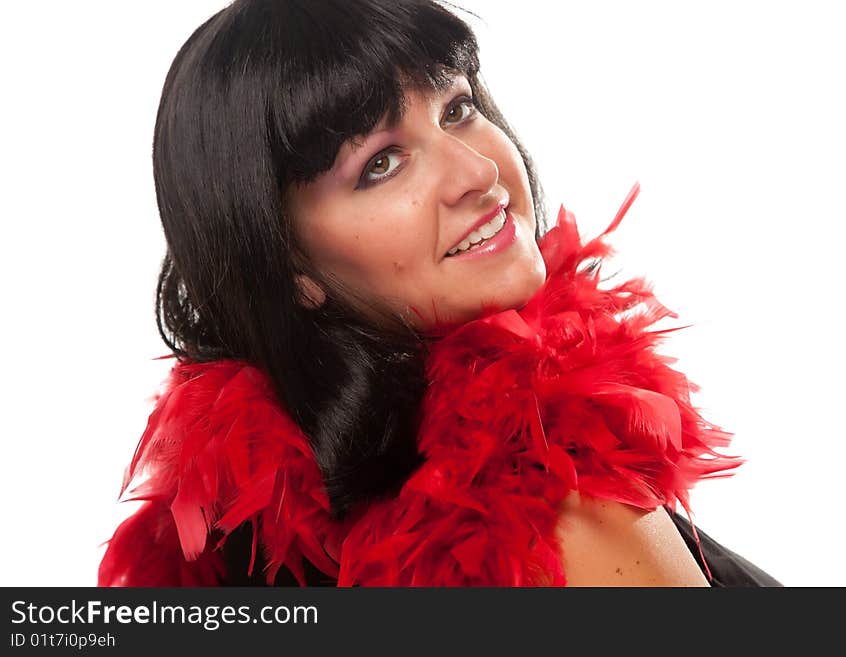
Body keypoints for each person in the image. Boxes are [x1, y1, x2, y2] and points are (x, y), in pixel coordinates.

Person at [98, 0, 781, 587]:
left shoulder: (239, 532)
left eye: (456, 108)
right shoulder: (556, 512)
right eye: (381, 164)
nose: (478, 171)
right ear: (286, 267)